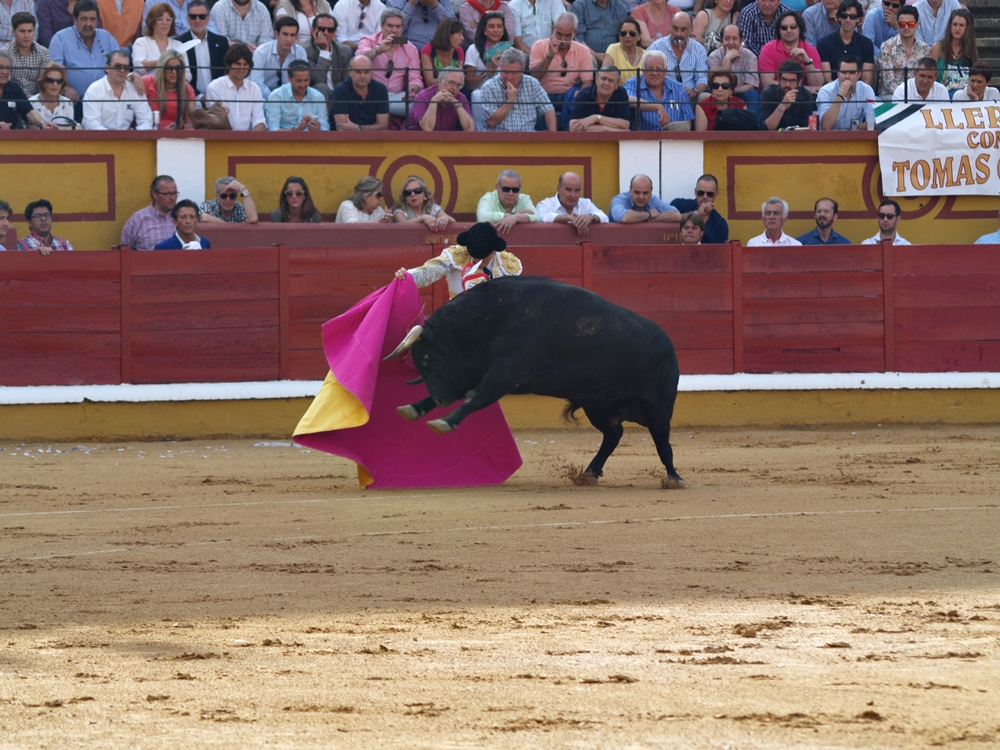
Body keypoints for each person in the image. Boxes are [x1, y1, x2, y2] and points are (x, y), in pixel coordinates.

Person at [393, 221, 522, 298]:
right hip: (460, 322)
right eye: (475, 256)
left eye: (483, 258)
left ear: (494, 250)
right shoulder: (456, 255)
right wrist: (408, 277)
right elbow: (429, 272)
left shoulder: (508, 265)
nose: (478, 262)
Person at [48, 0, 119, 107]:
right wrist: (66, 87)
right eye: (84, 19)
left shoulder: (107, 38)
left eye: (92, 19)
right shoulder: (60, 39)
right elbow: (55, 71)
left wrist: (132, 75)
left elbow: (119, 64)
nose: (88, 24)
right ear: (75, 19)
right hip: (74, 100)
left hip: (105, 98)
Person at [357, 8, 422, 118]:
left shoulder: (411, 48)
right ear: (382, 26)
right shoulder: (368, 40)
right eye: (390, 26)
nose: (394, 30)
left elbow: (414, 78)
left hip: (397, 97)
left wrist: (412, 90)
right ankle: (386, 112)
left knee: (420, 106)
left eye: (398, 26)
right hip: (370, 95)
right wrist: (378, 50)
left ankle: (381, 110)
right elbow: (359, 60)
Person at [528, 13, 595, 119]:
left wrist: (580, 94)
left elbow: (587, 82)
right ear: (552, 29)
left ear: (575, 33)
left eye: (568, 35)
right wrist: (550, 55)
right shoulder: (538, 46)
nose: (563, 39)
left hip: (570, 96)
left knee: (583, 100)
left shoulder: (583, 50)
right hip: (544, 95)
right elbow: (534, 75)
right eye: (559, 34)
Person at [480, 47, 555, 132]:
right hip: (500, 141)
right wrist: (511, 100)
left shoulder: (532, 83)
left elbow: (548, 109)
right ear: (500, 68)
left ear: (522, 70)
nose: (509, 77)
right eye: (505, 72)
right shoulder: (489, 87)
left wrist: (553, 137)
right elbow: (490, 122)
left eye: (514, 73)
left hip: (529, 140)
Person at [82, 48, 154, 129]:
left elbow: (146, 121)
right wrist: (114, 139)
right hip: (99, 140)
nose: (122, 70)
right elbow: (91, 124)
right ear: (107, 68)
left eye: (126, 67)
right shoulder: (94, 90)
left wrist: (132, 137)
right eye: (117, 66)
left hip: (128, 140)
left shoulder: (135, 89)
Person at [624, 50, 694, 131]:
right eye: (650, 69)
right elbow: (628, 99)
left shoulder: (679, 88)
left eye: (659, 69)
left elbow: (687, 121)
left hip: (673, 140)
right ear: (643, 70)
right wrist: (656, 106)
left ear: (665, 71)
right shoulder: (632, 83)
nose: (654, 73)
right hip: (642, 140)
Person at [647, 12, 709, 101]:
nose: (678, 34)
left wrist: (694, 91)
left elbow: (702, 78)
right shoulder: (656, 47)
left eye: (683, 30)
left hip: (690, 97)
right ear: (670, 26)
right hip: (663, 96)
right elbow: (647, 75)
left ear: (691, 29)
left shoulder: (699, 49)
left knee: (705, 97)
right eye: (675, 28)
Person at [205, 43, 266, 130]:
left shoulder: (254, 88)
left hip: (248, 141)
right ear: (229, 64)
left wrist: (252, 141)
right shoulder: (214, 87)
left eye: (245, 64)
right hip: (221, 140)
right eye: (238, 64)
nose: (241, 69)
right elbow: (215, 123)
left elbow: (259, 120)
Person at [758, 10, 822, 90]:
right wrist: (806, 89)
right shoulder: (768, 49)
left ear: (800, 29)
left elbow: (818, 84)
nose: (788, 30)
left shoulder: (811, 50)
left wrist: (807, 61)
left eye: (793, 27)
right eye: (784, 27)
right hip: (777, 95)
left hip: (804, 98)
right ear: (779, 31)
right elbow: (767, 83)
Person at [176, 0, 229, 99]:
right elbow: (181, 77)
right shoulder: (179, 43)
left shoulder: (221, 42)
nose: (197, 20)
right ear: (187, 18)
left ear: (208, 18)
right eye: (193, 17)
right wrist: (200, 97)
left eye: (202, 17)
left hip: (218, 98)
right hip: (190, 99)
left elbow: (225, 72)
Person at [816, 0, 874, 86]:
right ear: (838, 17)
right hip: (833, 93)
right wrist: (841, 94)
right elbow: (827, 79)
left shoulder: (866, 44)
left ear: (858, 19)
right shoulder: (824, 43)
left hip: (859, 95)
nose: (848, 20)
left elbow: (867, 80)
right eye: (844, 16)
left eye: (852, 17)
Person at [877, 5, 929, 98]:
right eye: (902, 24)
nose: (906, 27)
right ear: (897, 24)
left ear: (917, 25)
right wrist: (909, 95)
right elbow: (888, 83)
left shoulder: (924, 48)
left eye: (911, 24)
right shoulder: (887, 47)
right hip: (891, 94)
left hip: (918, 94)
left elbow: (926, 77)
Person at [250, 16, 306, 99]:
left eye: (292, 35)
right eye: (285, 34)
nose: (289, 39)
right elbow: (257, 83)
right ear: (276, 34)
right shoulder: (261, 52)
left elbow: (302, 81)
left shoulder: (300, 52)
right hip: (263, 98)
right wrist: (275, 100)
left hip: (290, 99)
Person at [536, 171, 608, 236]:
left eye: (577, 190)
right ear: (558, 188)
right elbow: (543, 217)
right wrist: (569, 218)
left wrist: (590, 217)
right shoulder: (545, 204)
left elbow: (604, 217)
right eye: (568, 190)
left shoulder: (586, 203)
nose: (573, 195)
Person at [265, 58, 329, 129]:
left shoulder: (318, 97)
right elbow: (273, 129)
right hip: (284, 139)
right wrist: (295, 130)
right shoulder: (276, 96)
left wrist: (318, 130)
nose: (303, 84)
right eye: (299, 81)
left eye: (306, 80)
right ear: (289, 78)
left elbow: (325, 128)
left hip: (311, 139)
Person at [331, 54, 390, 130]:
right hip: (345, 140)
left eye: (366, 72)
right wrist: (371, 129)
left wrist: (358, 128)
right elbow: (342, 128)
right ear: (350, 72)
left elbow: (383, 126)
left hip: (374, 140)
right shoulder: (341, 89)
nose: (363, 76)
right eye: (358, 72)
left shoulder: (380, 89)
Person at [121, 174, 179, 249]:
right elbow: (124, 252)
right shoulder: (137, 220)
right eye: (167, 194)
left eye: (174, 193)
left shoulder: (183, 217)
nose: (172, 197)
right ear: (154, 194)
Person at [665, 174, 728, 242]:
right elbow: (665, 218)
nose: (705, 197)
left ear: (716, 194)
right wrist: (697, 213)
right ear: (695, 192)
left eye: (710, 194)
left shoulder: (720, 224)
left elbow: (721, 250)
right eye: (701, 193)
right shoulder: (680, 205)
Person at [816, 55, 873, 130]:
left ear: (858, 75)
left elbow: (872, 123)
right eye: (843, 72)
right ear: (838, 74)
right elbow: (826, 126)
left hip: (854, 137)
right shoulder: (825, 91)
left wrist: (850, 130)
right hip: (829, 139)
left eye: (852, 73)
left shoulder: (866, 90)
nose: (847, 76)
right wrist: (840, 95)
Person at [567, 64, 630, 131]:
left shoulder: (621, 93)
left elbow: (625, 124)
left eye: (611, 81)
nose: (606, 83)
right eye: (603, 79)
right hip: (586, 140)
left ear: (617, 85)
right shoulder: (584, 94)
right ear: (597, 79)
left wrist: (596, 118)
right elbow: (572, 126)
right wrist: (607, 129)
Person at [2, 13, 52, 96]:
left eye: (30, 31)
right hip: (12, 99)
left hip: (38, 100)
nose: (26, 36)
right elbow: (6, 84)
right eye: (22, 31)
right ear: (13, 31)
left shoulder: (44, 52)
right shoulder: (5, 53)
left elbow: (46, 82)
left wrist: (35, 99)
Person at [707, 24, 759, 105]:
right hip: (720, 96)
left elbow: (750, 86)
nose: (731, 43)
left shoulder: (751, 56)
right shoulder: (714, 57)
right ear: (721, 41)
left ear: (741, 40)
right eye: (727, 39)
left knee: (752, 94)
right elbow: (719, 85)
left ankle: (752, 118)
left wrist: (730, 91)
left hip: (742, 95)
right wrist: (727, 59)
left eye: (735, 38)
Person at [476, 169, 540, 234]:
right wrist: (512, 216)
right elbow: (482, 218)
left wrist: (516, 217)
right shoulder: (488, 199)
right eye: (506, 189)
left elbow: (537, 217)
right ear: (497, 187)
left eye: (515, 190)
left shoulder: (524, 199)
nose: (510, 194)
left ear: (520, 187)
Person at [143, 49, 195, 129]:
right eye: (168, 68)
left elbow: (191, 124)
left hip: (176, 136)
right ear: (161, 68)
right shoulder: (148, 82)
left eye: (178, 68)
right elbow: (124, 83)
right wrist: (132, 76)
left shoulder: (187, 89)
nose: (174, 72)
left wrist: (180, 127)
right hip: (149, 133)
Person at [409, 67, 474, 130]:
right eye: (451, 82)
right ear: (440, 81)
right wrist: (434, 101)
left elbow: (470, 128)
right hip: (413, 139)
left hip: (444, 140)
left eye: (458, 85)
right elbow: (427, 128)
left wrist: (457, 105)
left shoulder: (460, 97)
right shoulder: (423, 95)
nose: (454, 88)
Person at [929, 9, 976, 94]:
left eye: (961, 25)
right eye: (954, 24)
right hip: (940, 95)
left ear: (967, 28)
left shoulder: (971, 49)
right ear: (950, 26)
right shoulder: (937, 47)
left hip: (964, 96)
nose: (957, 28)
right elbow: (930, 74)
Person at [305, 14, 352, 99]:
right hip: (315, 95)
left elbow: (347, 81)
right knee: (322, 87)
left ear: (334, 32)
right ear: (313, 30)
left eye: (330, 30)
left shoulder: (344, 51)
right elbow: (317, 80)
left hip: (339, 94)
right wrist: (324, 52)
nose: (326, 33)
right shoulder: (305, 50)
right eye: (321, 29)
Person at [759, 59, 815, 129]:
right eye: (784, 80)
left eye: (792, 81)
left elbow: (805, 129)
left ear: (800, 82)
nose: (787, 84)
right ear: (779, 79)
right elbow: (766, 128)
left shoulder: (806, 96)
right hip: (772, 139)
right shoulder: (768, 93)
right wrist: (783, 105)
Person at [464, 11, 510, 91]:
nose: (496, 30)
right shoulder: (473, 49)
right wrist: (489, 71)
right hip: (480, 93)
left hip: (504, 92)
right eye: (491, 27)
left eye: (499, 26)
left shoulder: (510, 51)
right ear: (484, 29)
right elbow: (468, 83)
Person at [132, 3, 183, 74]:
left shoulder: (178, 44)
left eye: (168, 19)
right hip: (147, 84)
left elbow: (187, 74)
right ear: (152, 22)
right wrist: (166, 61)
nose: (164, 23)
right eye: (160, 19)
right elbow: (139, 67)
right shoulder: (141, 42)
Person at [386, 0, 456, 51]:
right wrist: (411, 4)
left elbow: (454, 27)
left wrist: (435, 5)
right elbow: (394, 33)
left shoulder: (443, 1)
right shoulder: (395, 1)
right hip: (408, 50)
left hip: (438, 51)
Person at [0, 50, 46, 128]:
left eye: (8, 68)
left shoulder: (14, 89)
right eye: (0, 67)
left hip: (10, 138)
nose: (4, 72)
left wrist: (43, 125)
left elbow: (29, 112)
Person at [210, 0, 274, 51]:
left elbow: (266, 38)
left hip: (256, 57)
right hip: (228, 57)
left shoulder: (262, 9)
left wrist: (258, 51)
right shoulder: (219, 9)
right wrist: (245, 49)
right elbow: (220, 40)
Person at [610, 173, 675, 223]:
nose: (641, 197)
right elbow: (624, 217)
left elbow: (676, 215)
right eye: (637, 192)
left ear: (651, 191)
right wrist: (649, 214)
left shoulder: (653, 200)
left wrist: (645, 219)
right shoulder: (619, 199)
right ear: (630, 189)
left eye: (645, 193)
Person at [420, 17, 464, 88]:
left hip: (454, 90)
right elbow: (429, 81)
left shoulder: (459, 51)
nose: (462, 38)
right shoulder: (427, 50)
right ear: (448, 35)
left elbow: (459, 79)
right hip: (433, 91)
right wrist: (450, 82)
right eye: (459, 34)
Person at [140, 0, 219, 39]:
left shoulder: (198, 1)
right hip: (166, 47)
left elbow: (211, 29)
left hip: (195, 44)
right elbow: (147, 31)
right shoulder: (154, 1)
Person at [28, 61, 74, 125]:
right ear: (43, 82)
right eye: (50, 80)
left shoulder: (67, 103)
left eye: (59, 81)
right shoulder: (31, 102)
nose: (55, 84)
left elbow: (70, 130)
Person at [602, 17, 645, 83]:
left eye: (632, 33)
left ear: (639, 36)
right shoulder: (613, 49)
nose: (627, 36)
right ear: (620, 36)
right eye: (623, 33)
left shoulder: (646, 55)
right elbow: (605, 75)